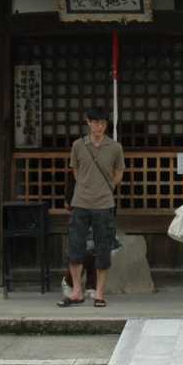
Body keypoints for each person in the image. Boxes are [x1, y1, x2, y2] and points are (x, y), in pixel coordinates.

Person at [59, 106, 124, 308]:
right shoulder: (78, 145)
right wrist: (86, 187)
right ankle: (77, 291)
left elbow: (119, 171)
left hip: (104, 203)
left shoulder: (115, 147)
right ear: (88, 122)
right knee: (75, 248)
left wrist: (108, 187)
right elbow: (75, 170)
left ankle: (99, 293)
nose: (99, 126)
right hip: (81, 202)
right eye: (95, 122)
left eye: (103, 123)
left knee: (103, 248)